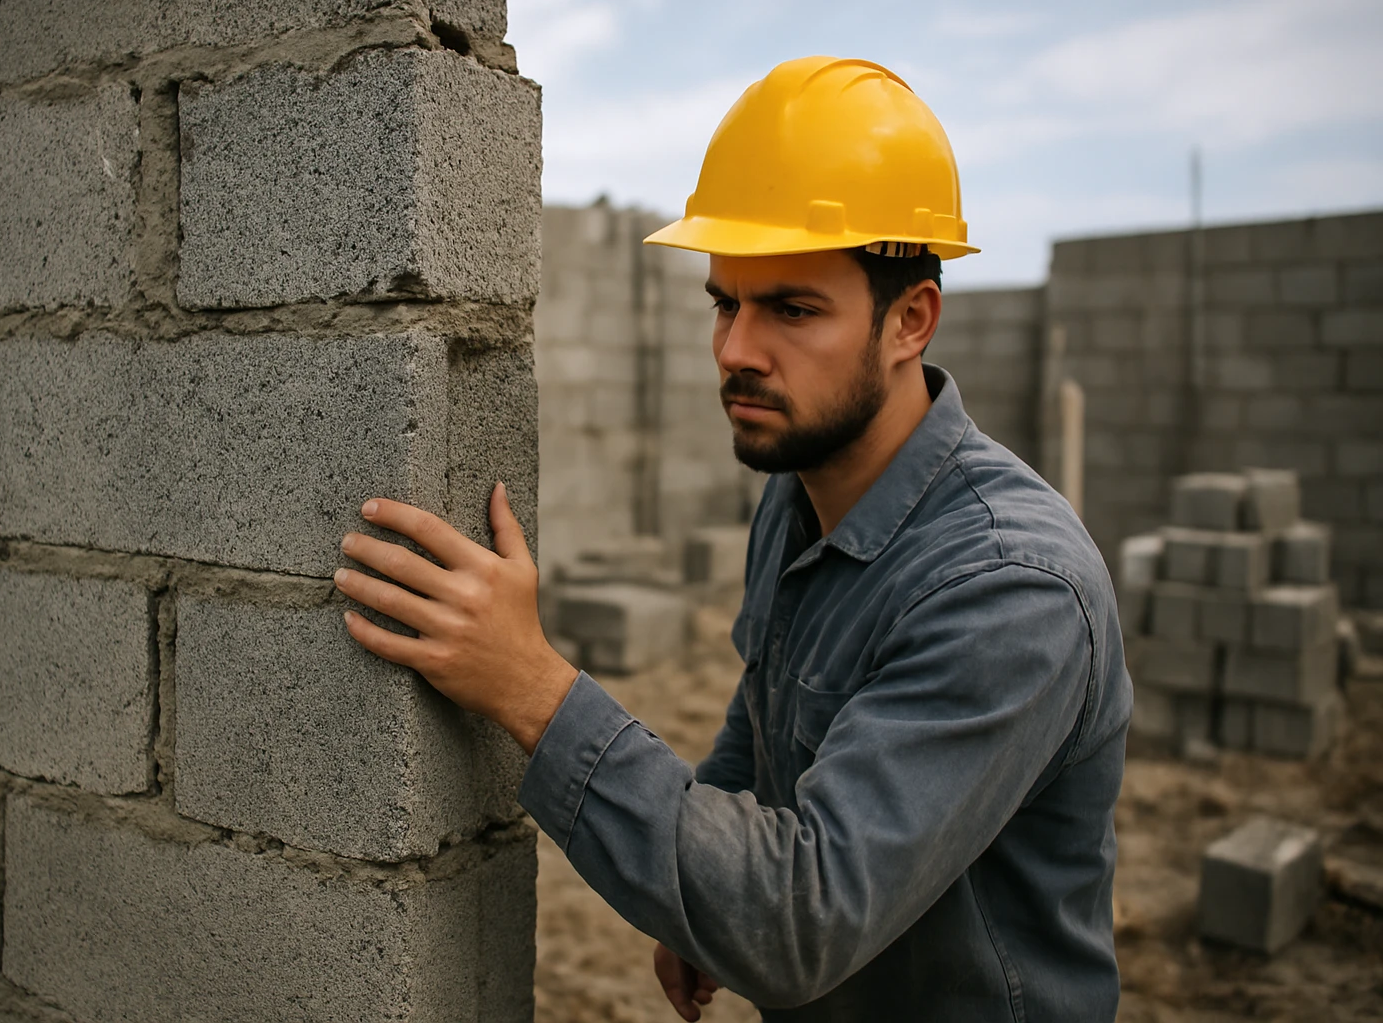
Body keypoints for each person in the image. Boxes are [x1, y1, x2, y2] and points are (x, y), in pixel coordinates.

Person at [332, 56, 1130, 1021]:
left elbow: (803, 920)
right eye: (725, 302)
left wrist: (530, 687)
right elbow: (763, 725)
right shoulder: (800, 496)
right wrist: (695, 901)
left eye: (792, 309)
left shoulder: (1011, 588)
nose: (738, 350)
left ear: (909, 320)